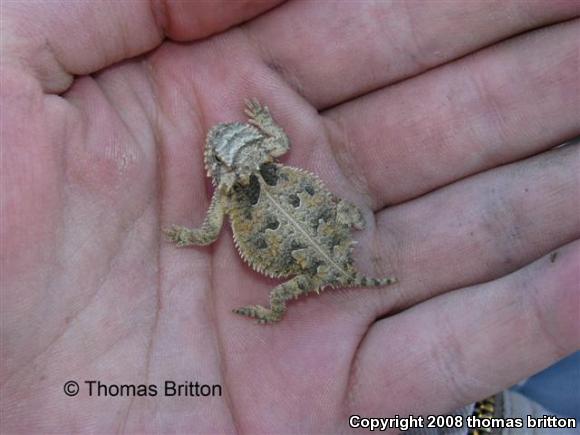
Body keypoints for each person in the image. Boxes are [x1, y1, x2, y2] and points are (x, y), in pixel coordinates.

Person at [1, 1, 578, 433]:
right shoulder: (264, 161)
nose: (225, 143)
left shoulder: (227, 196)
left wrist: (183, 230)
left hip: (310, 253)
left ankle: (294, 304)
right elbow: (270, 142)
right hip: (328, 235)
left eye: (231, 142)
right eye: (221, 147)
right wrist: (259, 125)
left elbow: (203, 235)